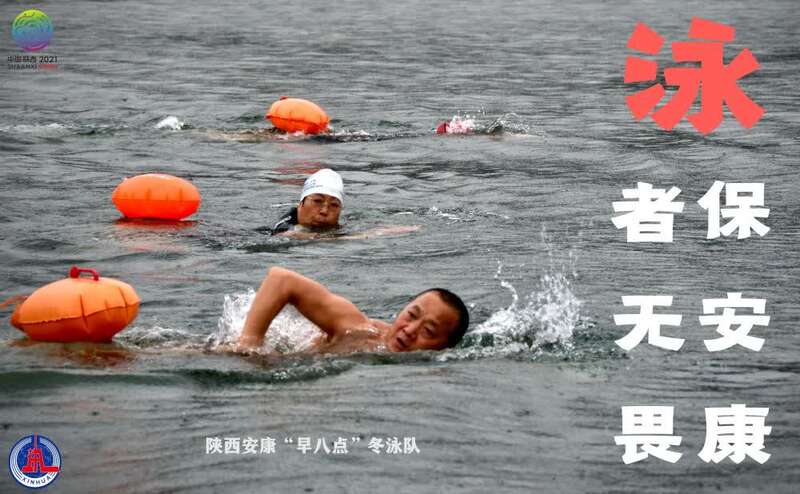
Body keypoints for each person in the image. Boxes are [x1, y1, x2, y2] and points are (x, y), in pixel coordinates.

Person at [237, 267, 469, 354]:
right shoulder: (356, 330)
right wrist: (249, 344)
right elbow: (281, 279)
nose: (409, 330)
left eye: (428, 331)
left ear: (443, 348)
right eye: (411, 315)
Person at [268, 168, 344, 235]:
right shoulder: (282, 227)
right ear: (301, 204)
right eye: (317, 201)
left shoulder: (344, 226)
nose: (324, 211)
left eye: (334, 205)